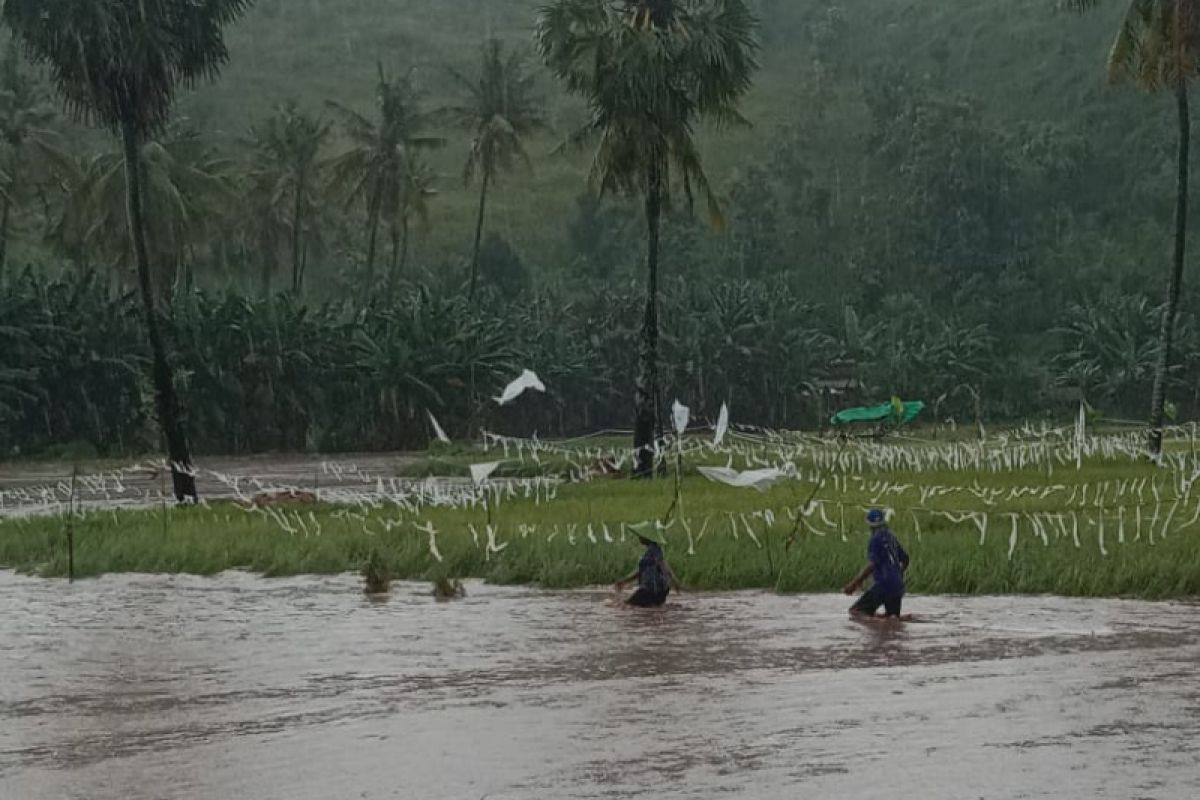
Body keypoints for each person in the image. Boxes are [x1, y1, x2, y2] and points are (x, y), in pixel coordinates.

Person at [843, 508, 911, 621]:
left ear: (870, 525)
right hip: (897, 586)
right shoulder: (891, 537)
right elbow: (906, 559)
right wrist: (899, 574)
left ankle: (878, 623)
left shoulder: (875, 539)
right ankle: (887, 621)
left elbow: (872, 564)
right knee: (892, 618)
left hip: (884, 584)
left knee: (855, 612)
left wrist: (854, 584)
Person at [614, 523, 682, 607]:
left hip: (649, 590)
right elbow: (642, 571)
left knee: (623, 606)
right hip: (659, 591)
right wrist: (624, 581)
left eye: (641, 535)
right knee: (650, 608)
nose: (639, 537)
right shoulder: (654, 551)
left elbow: (664, 566)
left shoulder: (653, 552)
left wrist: (674, 582)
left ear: (647, 537)